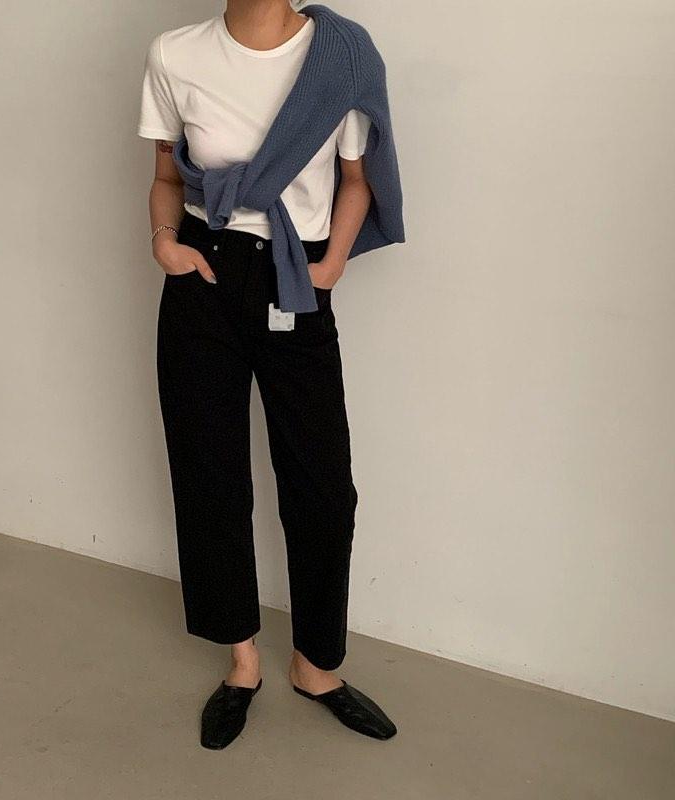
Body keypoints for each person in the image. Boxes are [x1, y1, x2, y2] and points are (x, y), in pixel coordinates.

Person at [137, 0, 403, 749]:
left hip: (296, 277)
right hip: (204, 274)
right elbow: (165, 175)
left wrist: (332, 264)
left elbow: (357, 179)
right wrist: (164, 242)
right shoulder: (175, 53)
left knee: (323, 486)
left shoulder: (341, 56)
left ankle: (316, 666)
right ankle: (243, 662)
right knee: (209, 473)